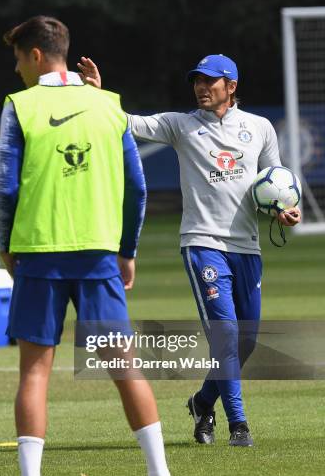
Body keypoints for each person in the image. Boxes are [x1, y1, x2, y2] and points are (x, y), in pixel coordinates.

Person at [0, 15, 176, 476]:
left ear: (35, 55)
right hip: (98, 253)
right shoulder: (109, 103)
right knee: (125, 368)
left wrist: (6, 246)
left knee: (34, 373)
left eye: (17, 58)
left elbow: (6, 186)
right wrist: (128, 249)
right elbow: (136, 187)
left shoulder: (21, 107)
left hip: (40, 252)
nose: (15, 70)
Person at [78, 53, 301, 447]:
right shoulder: (180, 126)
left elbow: (275, 179)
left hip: (247, 246)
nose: (201, 87)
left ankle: (202, 402)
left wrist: (284, 210)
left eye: (210, 81)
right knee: (227, 335)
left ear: (231, 87)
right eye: (197, 81)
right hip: (202, 243)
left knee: (246, 339)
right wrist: (99, 96)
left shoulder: (260, 128)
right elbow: (127, 122)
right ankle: (239, 425)